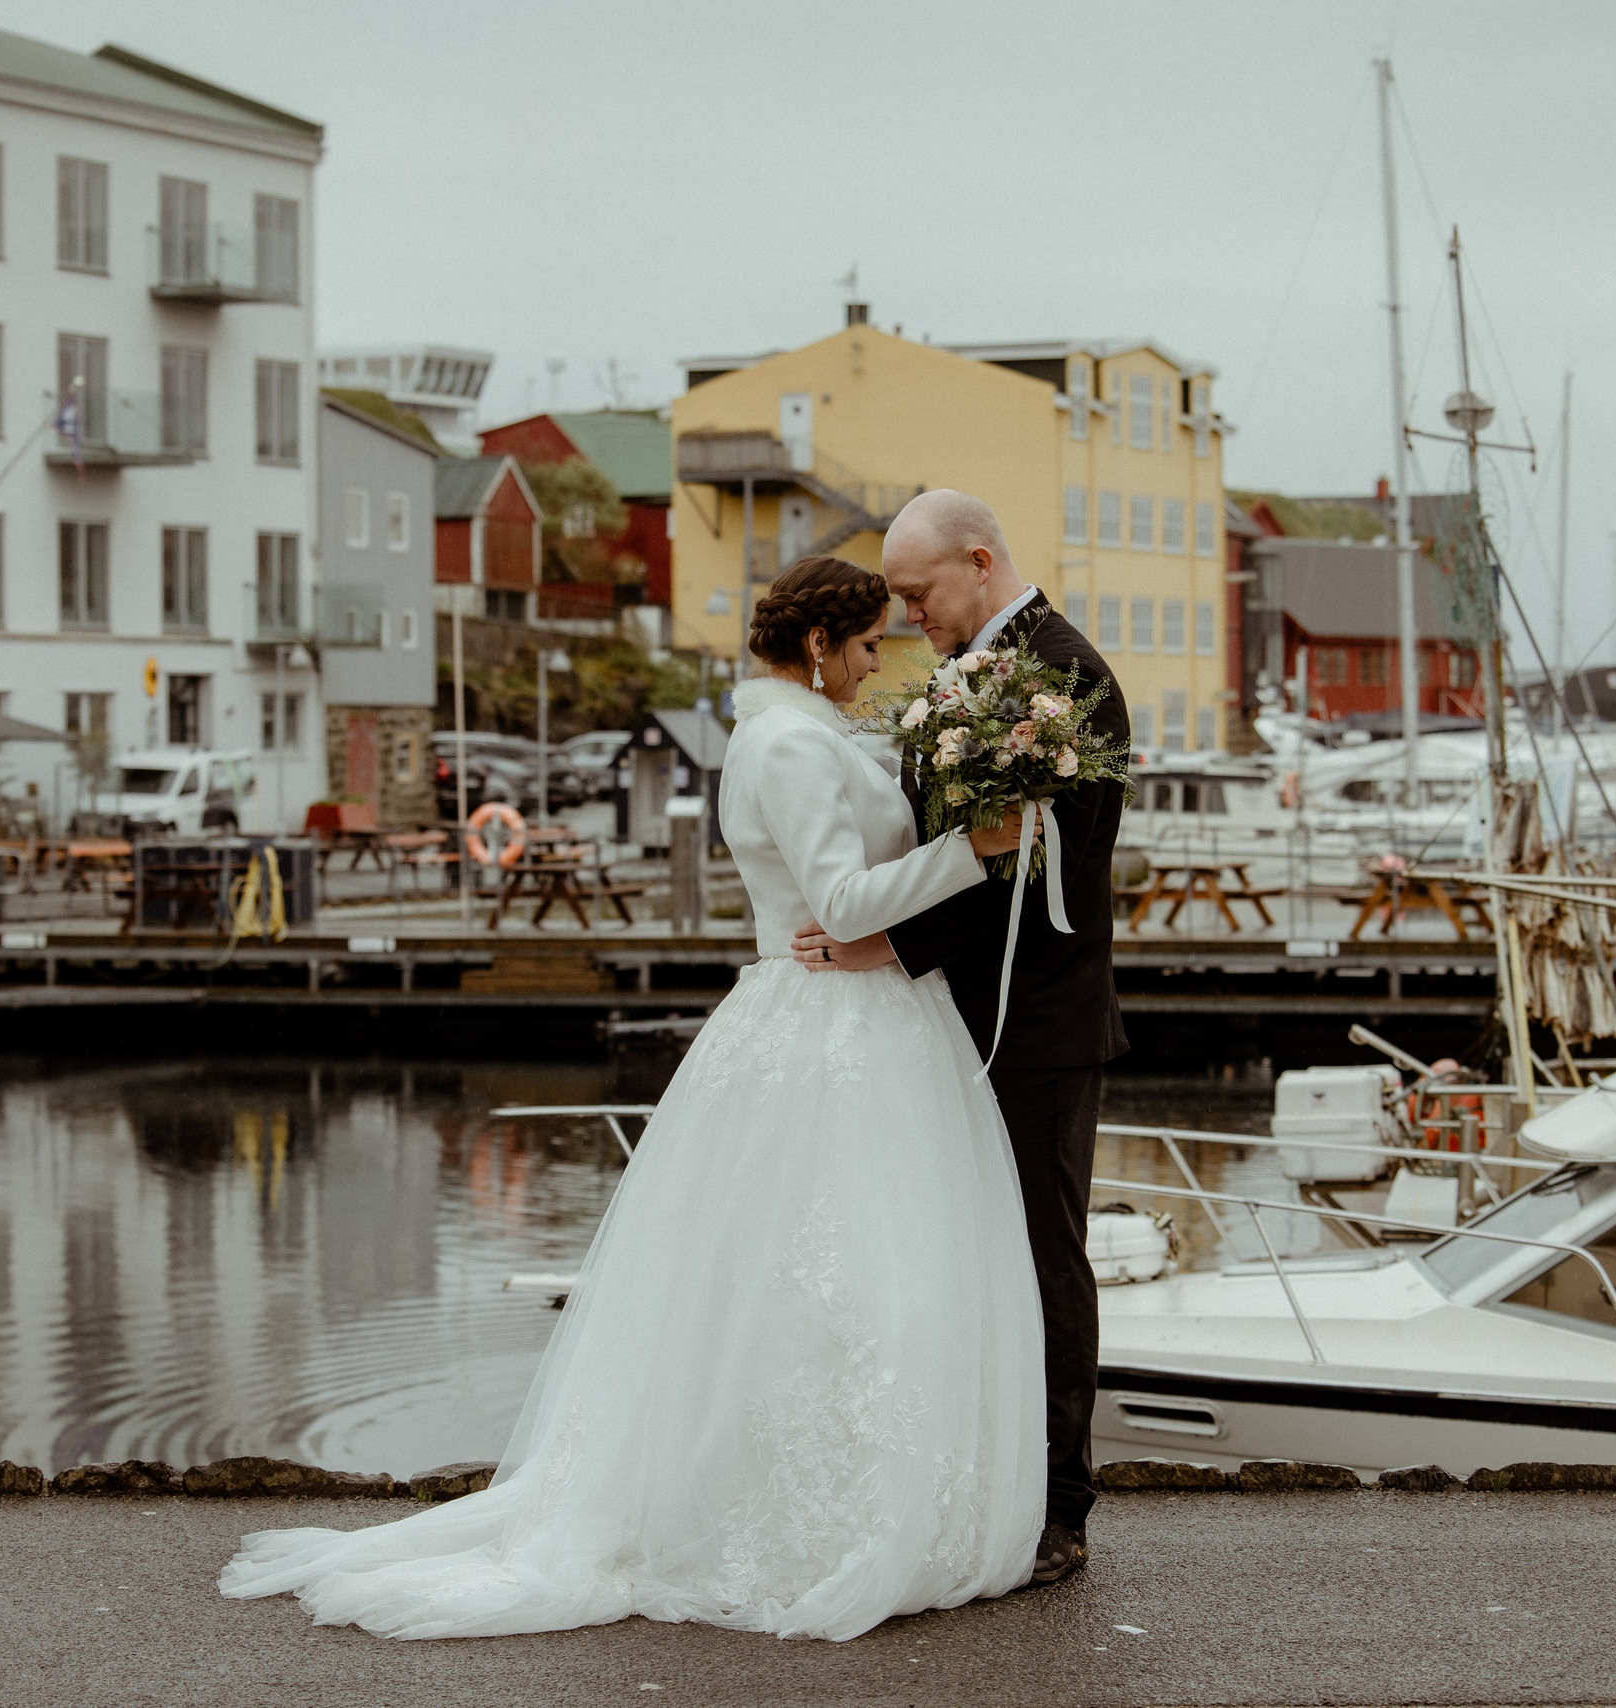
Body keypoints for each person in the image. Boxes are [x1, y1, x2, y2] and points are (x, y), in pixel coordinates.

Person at [221, 556, 1046, 1642]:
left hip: (867, 1020)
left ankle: (857, 1485)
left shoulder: (815, 731)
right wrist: (968, 852)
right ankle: (787, 1512)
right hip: (827, 1022)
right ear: (817, 647)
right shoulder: (790, 742)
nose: (873, 661)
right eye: (862, 644)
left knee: (853, 1278)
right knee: (821, 1275)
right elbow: (839, 900)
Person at [792, 489, 1130, 1587]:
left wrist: (887, 945)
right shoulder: (968, 677)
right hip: (953, 1017)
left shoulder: (1067, 677)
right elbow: (953, 840)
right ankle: (977, 1482)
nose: (905, 616)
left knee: (1039, 1255)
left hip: (1033, 1021)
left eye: (916, 592)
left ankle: (1058, 1506)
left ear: (979, 562)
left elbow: (1037, 870)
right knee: (955, 1255)